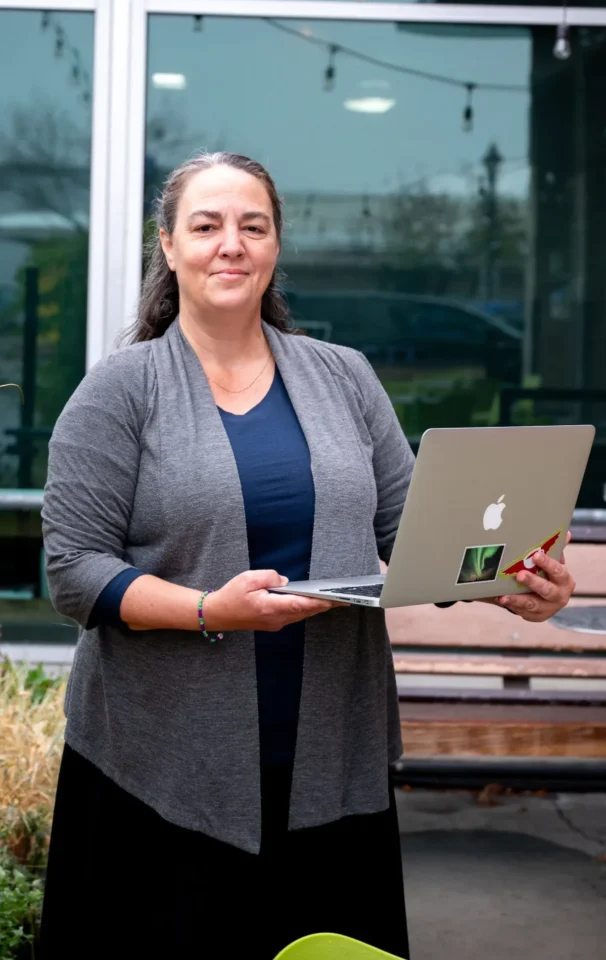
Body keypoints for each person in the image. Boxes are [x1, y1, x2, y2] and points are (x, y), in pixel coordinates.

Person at [39, 152, 576, 959]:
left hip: (330, 751)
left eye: (252, 226)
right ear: (169, 246)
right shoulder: (121, 390)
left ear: (275, 246)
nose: (231, 244)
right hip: (162, 762)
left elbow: (412, 531)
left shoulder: (345, 377)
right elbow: (74, 570)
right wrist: (208, 611)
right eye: (207, 225)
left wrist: (512, 582)